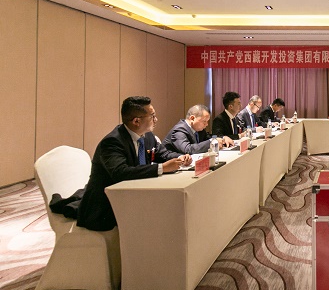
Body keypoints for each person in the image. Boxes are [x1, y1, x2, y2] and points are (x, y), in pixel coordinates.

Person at [77, 96, 192, 231]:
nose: (156, 120)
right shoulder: (112, 142)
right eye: (152, 116)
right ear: (136, 121)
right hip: (106, 207)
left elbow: (163, 154)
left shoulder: (147, 136)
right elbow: (121, 172)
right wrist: (162, 168)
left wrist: (180, 157)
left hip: (134, 196)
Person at [162, 104, 232, 154]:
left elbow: (208, 138)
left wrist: (222, 138)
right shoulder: (179, 130)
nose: (207, 124)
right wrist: (211, 142)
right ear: (192, 118)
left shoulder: (198, 129)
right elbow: (188, 150)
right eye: (204, 121)